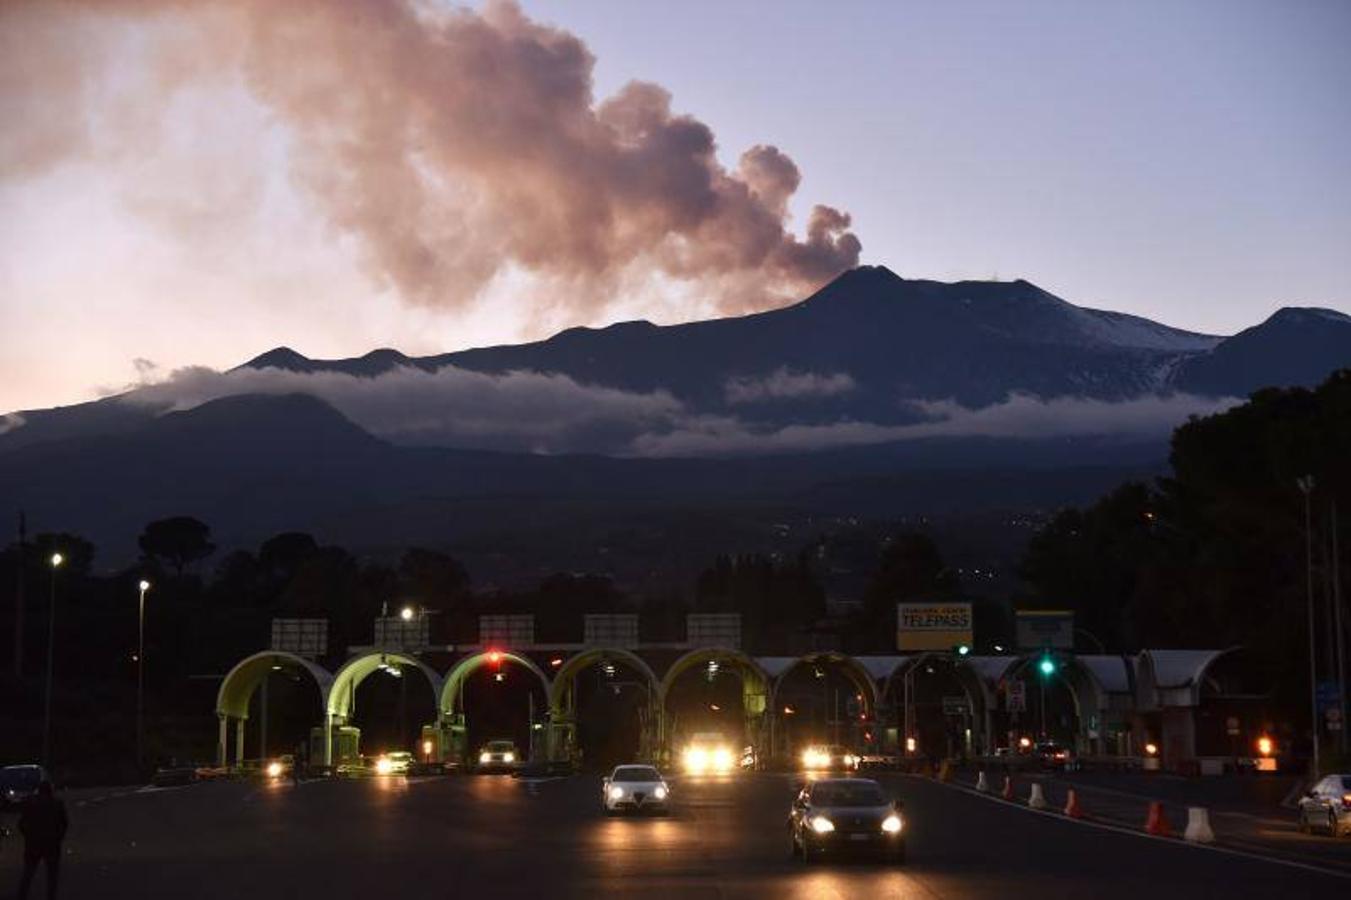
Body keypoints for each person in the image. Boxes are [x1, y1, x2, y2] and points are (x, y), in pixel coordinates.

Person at [16, 781, 67, 900]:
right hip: (51, 844)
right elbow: (64, 824)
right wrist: (58, 837)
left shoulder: (31, 803)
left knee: (28, 873)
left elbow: (21, 824)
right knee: (52, 875)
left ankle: (22, 895)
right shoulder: (57, 804)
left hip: (33, 843)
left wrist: (28, 836)